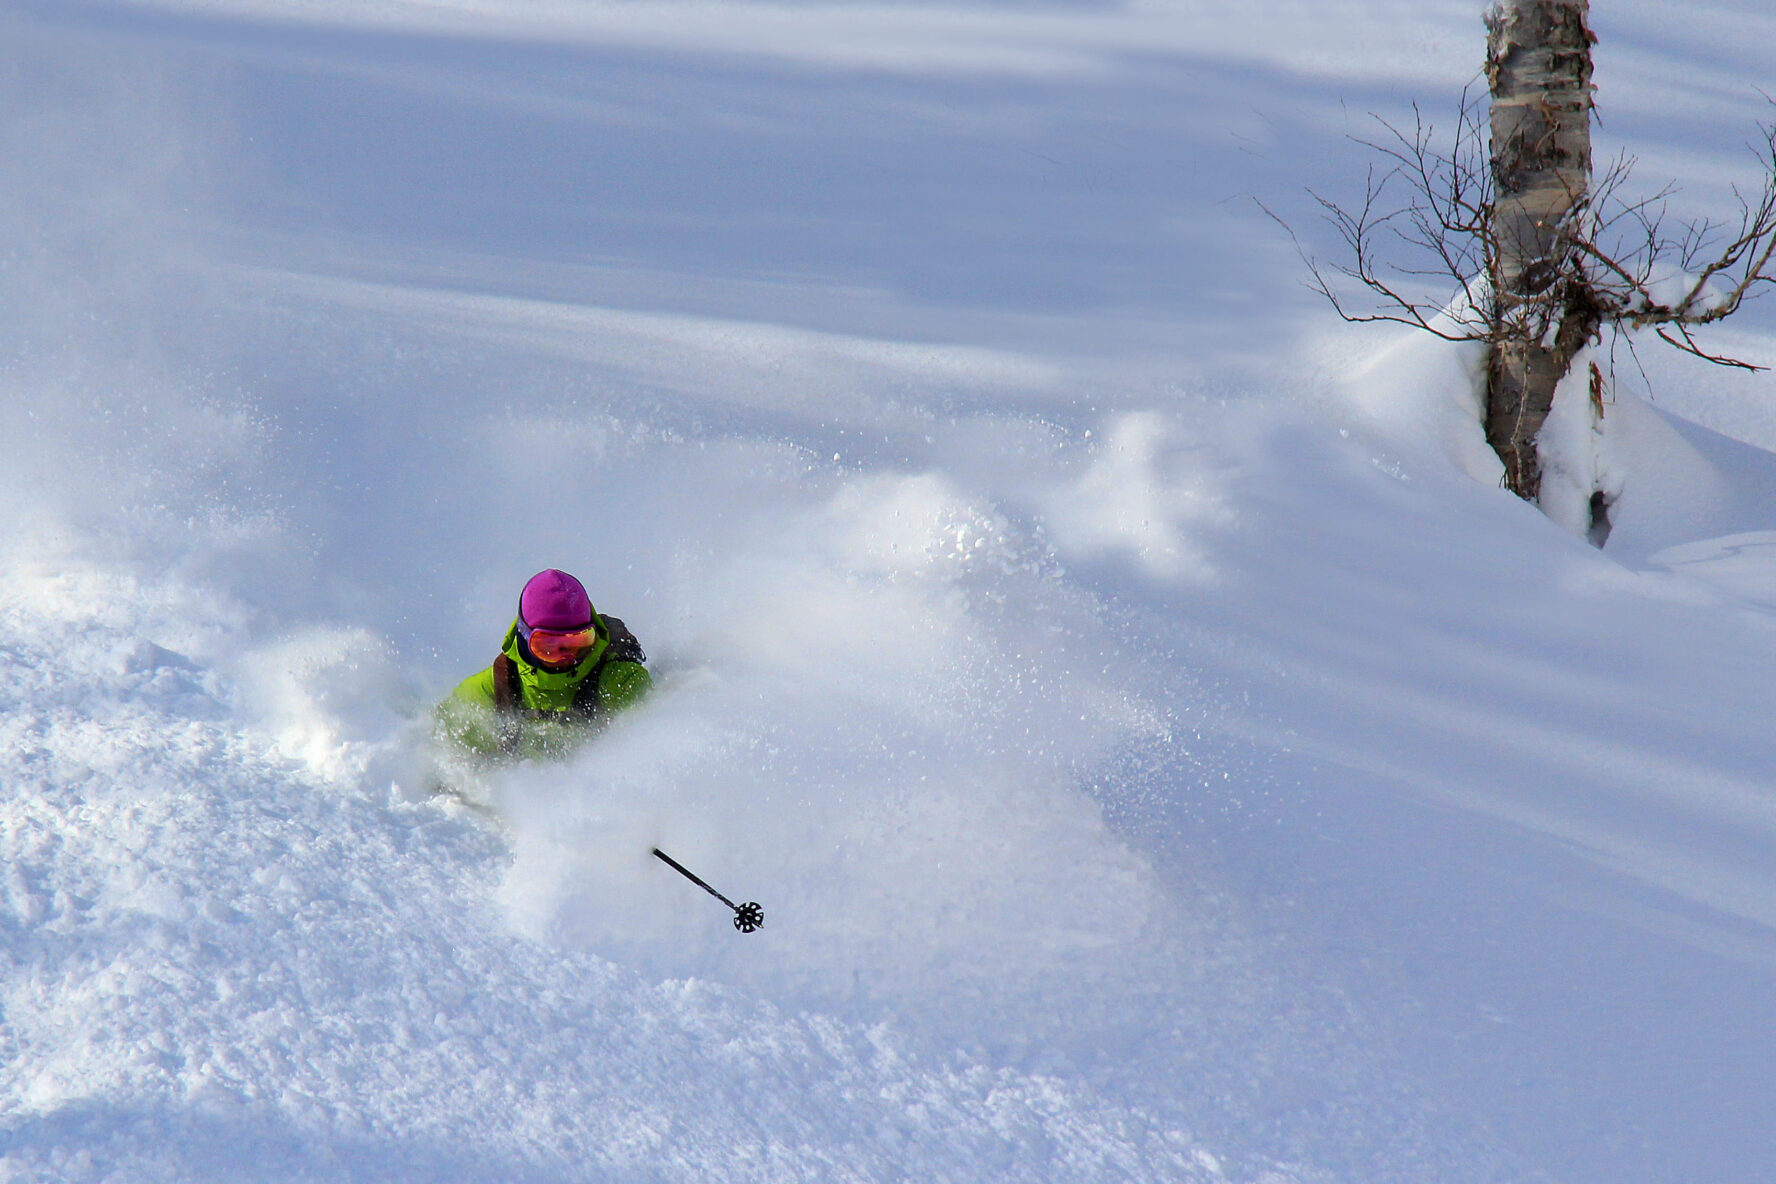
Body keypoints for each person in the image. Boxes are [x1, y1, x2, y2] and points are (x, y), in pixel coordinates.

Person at [436, 568, 652, 760]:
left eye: (579, 643)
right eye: (548, 646)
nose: (566, 657)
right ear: (524, 637)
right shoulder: (490, 691)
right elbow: (434, 750)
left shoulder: (621, 684)